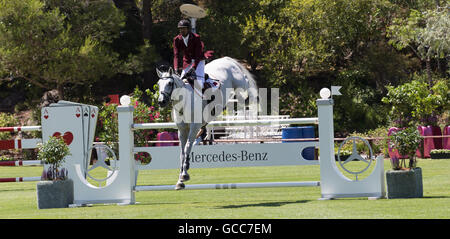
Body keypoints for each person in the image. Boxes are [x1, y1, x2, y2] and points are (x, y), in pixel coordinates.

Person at [173, 19, 215, 94]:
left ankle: (208, 95)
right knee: (181, 82)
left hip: (198, 61)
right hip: (187, 62)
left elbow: (198, 55)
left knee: (200, 84)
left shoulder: (196, 37)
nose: (182, 30)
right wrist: (175, 68)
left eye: (184, 28)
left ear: (188, 29)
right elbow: (176, 55)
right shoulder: (176, 40)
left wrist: (194, 67)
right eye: (180, 29)